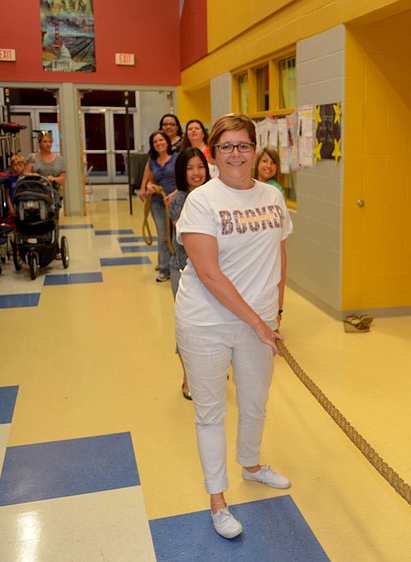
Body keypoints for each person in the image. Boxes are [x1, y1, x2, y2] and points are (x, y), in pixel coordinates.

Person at [174, 113, 292, 540]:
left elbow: (280, 257)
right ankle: (218, 500)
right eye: (226, 147)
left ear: (255, 149)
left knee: (256, 400)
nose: (236, 154)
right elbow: (210, 276)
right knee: (210, 413)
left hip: (259, 321)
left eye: (243, 145)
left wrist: (275, 314)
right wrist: (259, 323)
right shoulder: (201, 201)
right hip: (205, 322)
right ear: (213, 153)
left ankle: (252, 464)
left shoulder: (273, 197)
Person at [167, 147, 211, 400]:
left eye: (200, 167)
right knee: (187, 327)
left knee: (213, 324)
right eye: (190, 168)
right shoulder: (178, 200)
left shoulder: (215, 195)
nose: (196, 173)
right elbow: (185, 241)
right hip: (184, 271)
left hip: (214, 272)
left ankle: (211, 369)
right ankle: (187, 377)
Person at [138, 130, 177, 282]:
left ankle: (177, 263)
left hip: (175, 201)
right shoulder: (152, 162)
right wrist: (148, 187)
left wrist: (175, 193)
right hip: (157, 203)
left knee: (175, 234)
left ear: (167, 142)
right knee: (162, 235)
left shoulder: (176, 158)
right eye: (155, 142)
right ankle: (164, 268)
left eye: (161, 140)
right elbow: (149, 181)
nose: (159, 143)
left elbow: (182, 179)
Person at [24, 130, 66, 205]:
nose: (48, 144)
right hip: (35, 192)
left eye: (50, 142)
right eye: (45, 142)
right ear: (39, 143)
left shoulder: (59, 159)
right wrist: (34, 176)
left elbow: (62, 178)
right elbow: (26, 173)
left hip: (53, 192)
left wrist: (53, 179)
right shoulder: (32, 157)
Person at [1, 153, 26, 218]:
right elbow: (7, 194)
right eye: (15, 165)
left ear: (24, 166)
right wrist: (10, 208)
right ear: (11, 166)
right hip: (13, 205)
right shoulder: (9, 178)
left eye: (20, 165)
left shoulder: (25, 177)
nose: (17, 167)